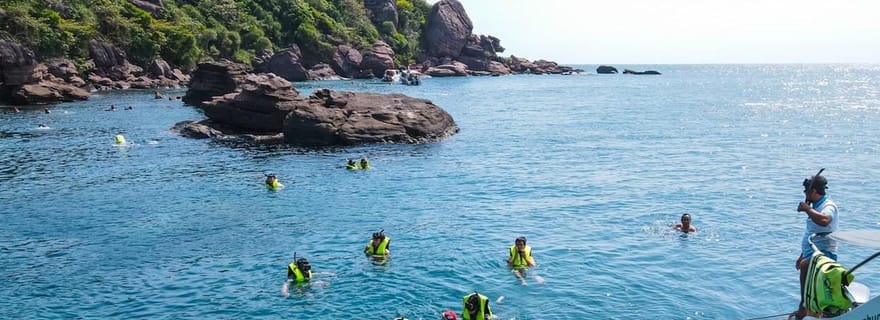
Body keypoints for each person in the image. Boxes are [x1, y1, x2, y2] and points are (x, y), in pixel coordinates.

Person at [792, 174, 839, 319]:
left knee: (807, 266)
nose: (805, 195)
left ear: (813, 192)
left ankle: (804, 308)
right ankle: (809, 309)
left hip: (824, 254)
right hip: (810, 253)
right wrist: (801, 255)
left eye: (806, 192)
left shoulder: (828, 206)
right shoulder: (816, 206)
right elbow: (810, 232)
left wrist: (807, 209)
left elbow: (825, 220)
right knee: (805, 265)